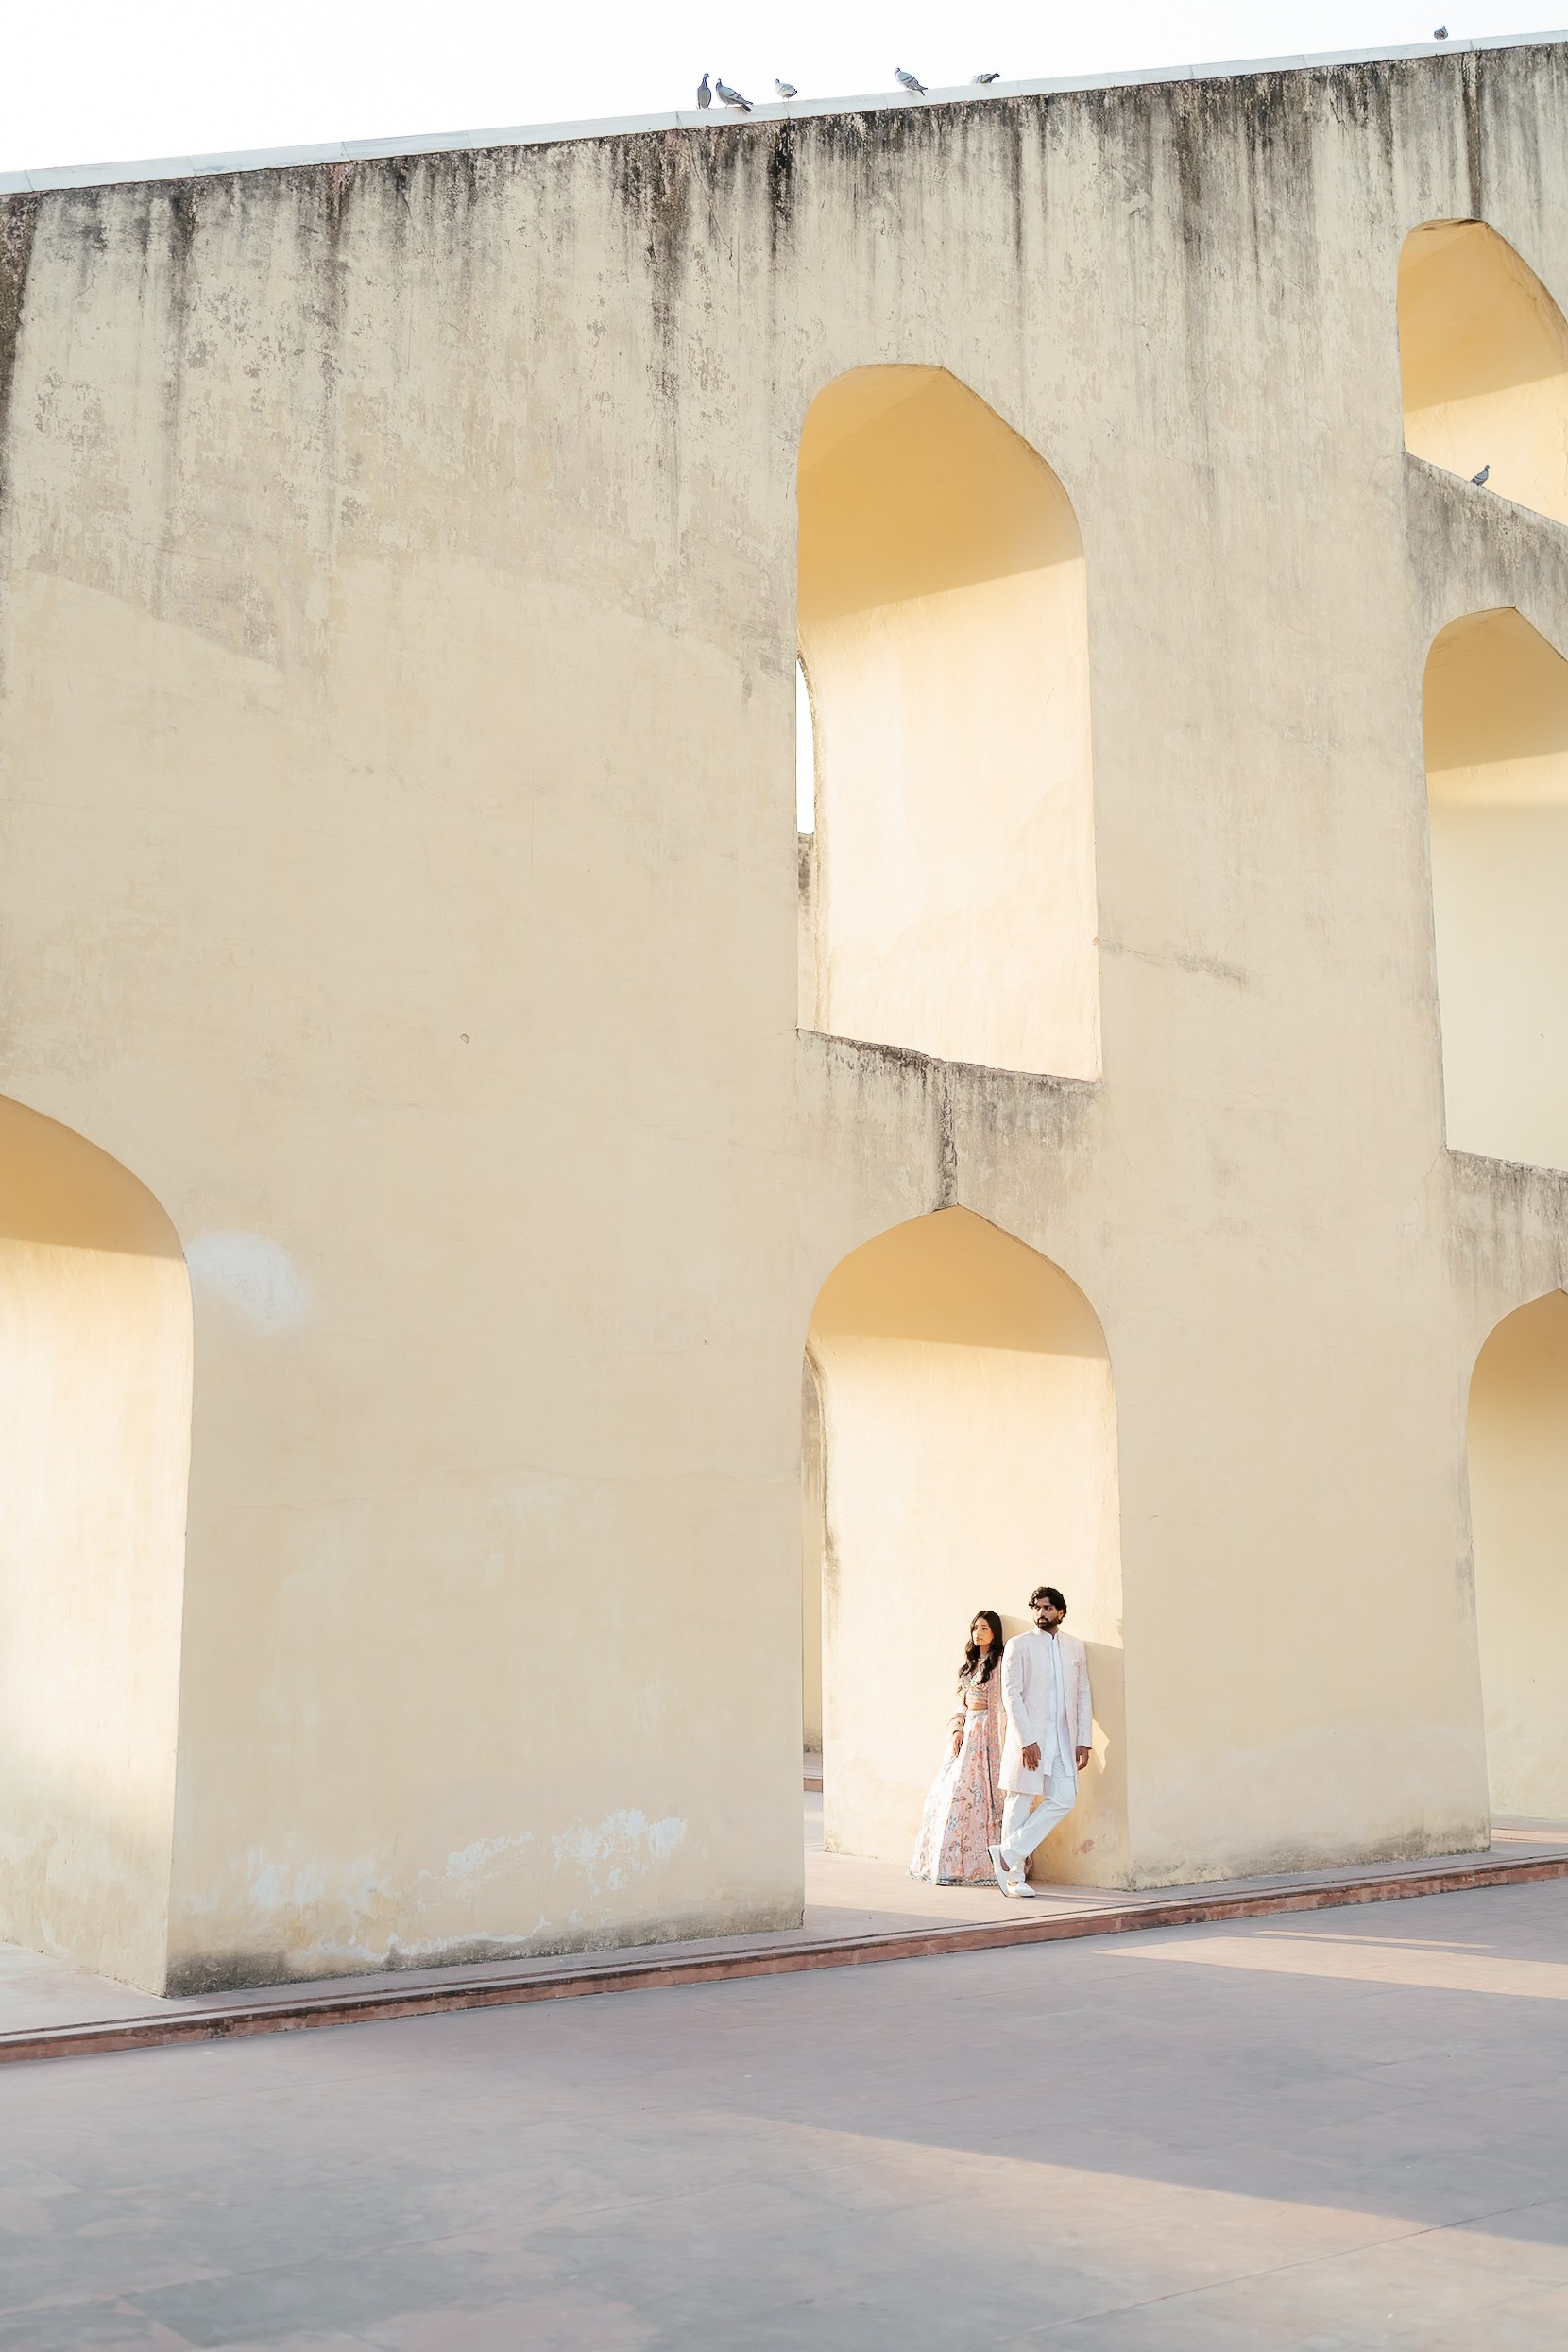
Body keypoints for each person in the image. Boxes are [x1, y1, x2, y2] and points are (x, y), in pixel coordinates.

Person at [989, 1585, 1092, 1899]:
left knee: (1064, 1798)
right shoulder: (1019, 1645)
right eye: (1036, 1607)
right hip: (1030, 1740)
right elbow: (1011, 1695)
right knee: (1019, 1801)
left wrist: (1083, 1739)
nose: (1041, 1613)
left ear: (1060, 1612)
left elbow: (1083, 1693)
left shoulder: (1074, 1647)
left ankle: (1007, 1854)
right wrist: (1026, 1740)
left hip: (1062, 1740)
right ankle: (1014, 1877)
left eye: (1048, 1608)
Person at [909, 1610, 1007, 1883]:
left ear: (995, 1632)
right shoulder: (969, 1666)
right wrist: (956, 1729)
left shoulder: (999, 1663)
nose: (978, 1633)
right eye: (975, 1628)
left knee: (979, 1797)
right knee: (945, 1795)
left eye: (984, 1628)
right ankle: (947, 1863)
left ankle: (986, 1864)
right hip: (967, 1734)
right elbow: (961, 1705)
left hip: (987, 1735)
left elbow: (1003, 1703)